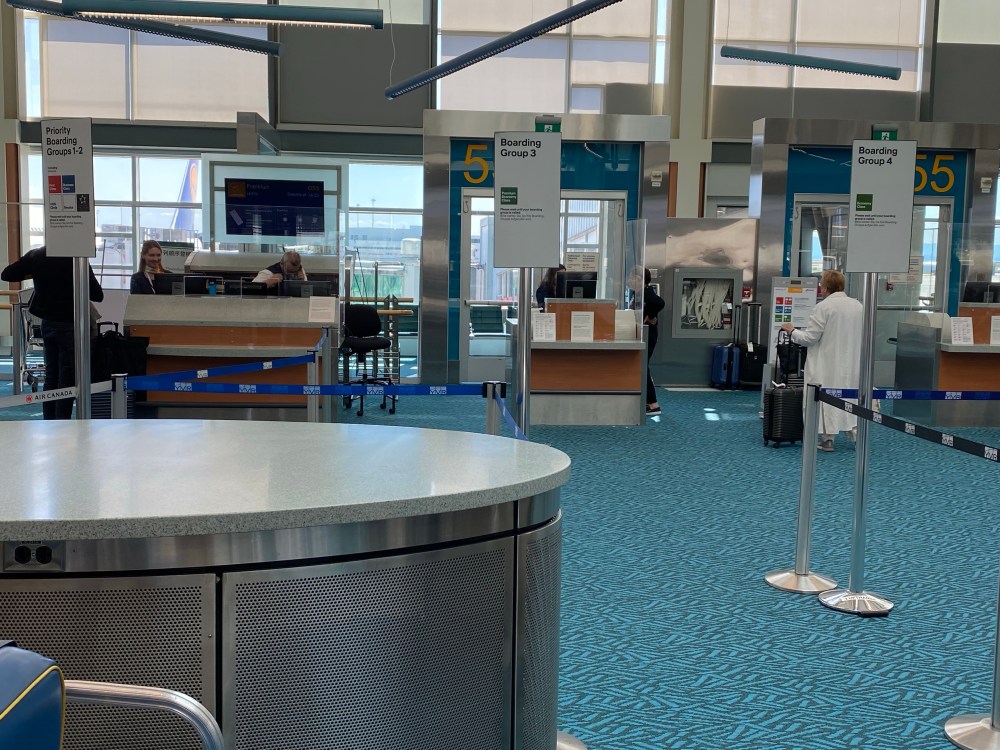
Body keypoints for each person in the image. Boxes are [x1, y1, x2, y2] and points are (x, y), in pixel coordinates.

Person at [2, 246, 105, 419]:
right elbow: (97, 294)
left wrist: (33, 273)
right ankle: (62, 423)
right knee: (67, 378)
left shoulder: (37, 255)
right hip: (70, 323)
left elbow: (7, 274)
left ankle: (49, 422)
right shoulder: (76, 258)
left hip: (48, 323)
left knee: (51, 376)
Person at [780, 269, 863, 452]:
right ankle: (856, 434)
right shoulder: (858, 306)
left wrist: (792, 331)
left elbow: (810, 338)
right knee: (849, 396)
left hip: (826, 362)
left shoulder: (823, 307)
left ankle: (828, 439)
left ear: (825, 287)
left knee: (825, 398)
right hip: (851, 362)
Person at [638, 268, 665, 416]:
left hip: (649, 333)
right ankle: (650, 402)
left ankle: (653, 404)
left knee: (643, 366)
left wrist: (651, 316)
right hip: (646, 333)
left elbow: (659, 303)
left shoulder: (646, 292)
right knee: (642, 366)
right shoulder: (641, 293)